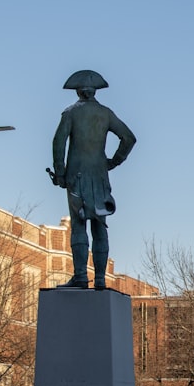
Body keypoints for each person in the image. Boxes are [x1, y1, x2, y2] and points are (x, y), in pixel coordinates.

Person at [50, 70, 136, 289]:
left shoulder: (70, 113)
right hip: (99, 175)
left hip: (76, 176)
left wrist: (60, 173)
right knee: (100, 224)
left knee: (79, 225)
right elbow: (129, 138)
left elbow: (59, 142)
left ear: (79, 91)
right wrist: (113, 162)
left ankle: (80, 275)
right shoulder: (105, 113)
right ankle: (99, 278)